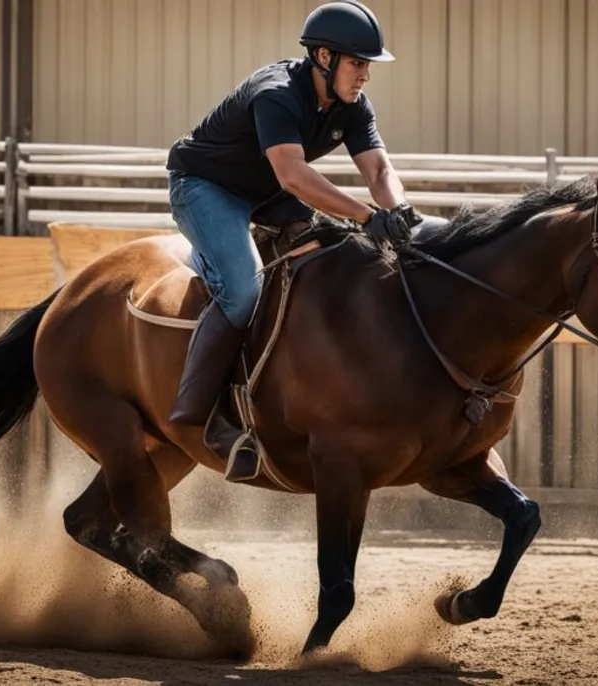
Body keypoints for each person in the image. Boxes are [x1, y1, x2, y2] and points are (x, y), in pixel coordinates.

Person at [164, 0, 424, 476]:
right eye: (357, 63)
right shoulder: (277, 92)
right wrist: (369, 218)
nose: (365, 74)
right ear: (323, 58)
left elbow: (380, 169)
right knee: (243, 292)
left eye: (367, 65)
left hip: (266, 192)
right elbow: (294, 176)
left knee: (328, 264)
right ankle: (195, 417)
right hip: (206, 187)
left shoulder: (353, 106)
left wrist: (400, 213)